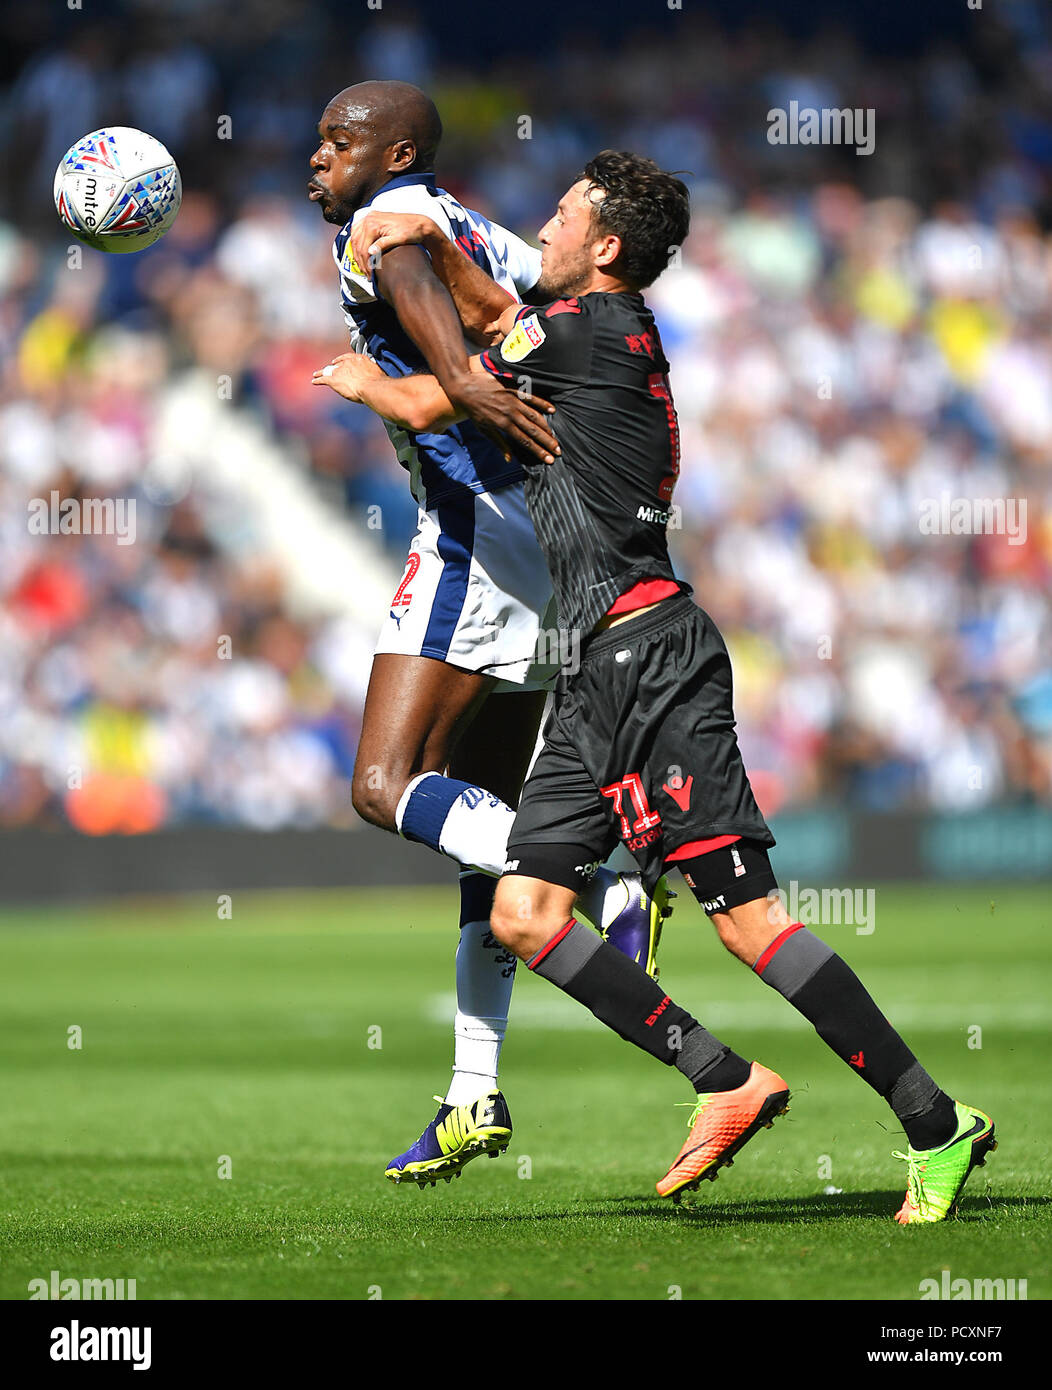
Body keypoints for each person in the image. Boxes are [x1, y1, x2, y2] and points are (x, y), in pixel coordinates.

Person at [315, 151, 996, 1222]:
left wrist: (395, 275)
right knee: (528, 913)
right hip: (593, 667)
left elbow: (469, 353)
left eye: (560, 215)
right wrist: (401, 323)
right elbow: (468, 359)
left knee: (747, 922)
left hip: (652, 657)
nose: (540, 227)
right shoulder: (576, 338)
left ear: (603, 247)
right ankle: (725, 1079)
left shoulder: (584, 332)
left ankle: (933, 1121)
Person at [307, 83, 670, 1188]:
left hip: (477, 537)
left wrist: (448, 382)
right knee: (482, 813)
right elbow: (528, 321)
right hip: (555, 541)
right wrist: (483, 370)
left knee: (382, 783)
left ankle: (599, 875)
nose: (317, 158)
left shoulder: (389, 226)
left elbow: (414, 282)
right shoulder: (483, 229)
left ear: (395, 151)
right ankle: (474, 1090)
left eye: (338, 141)